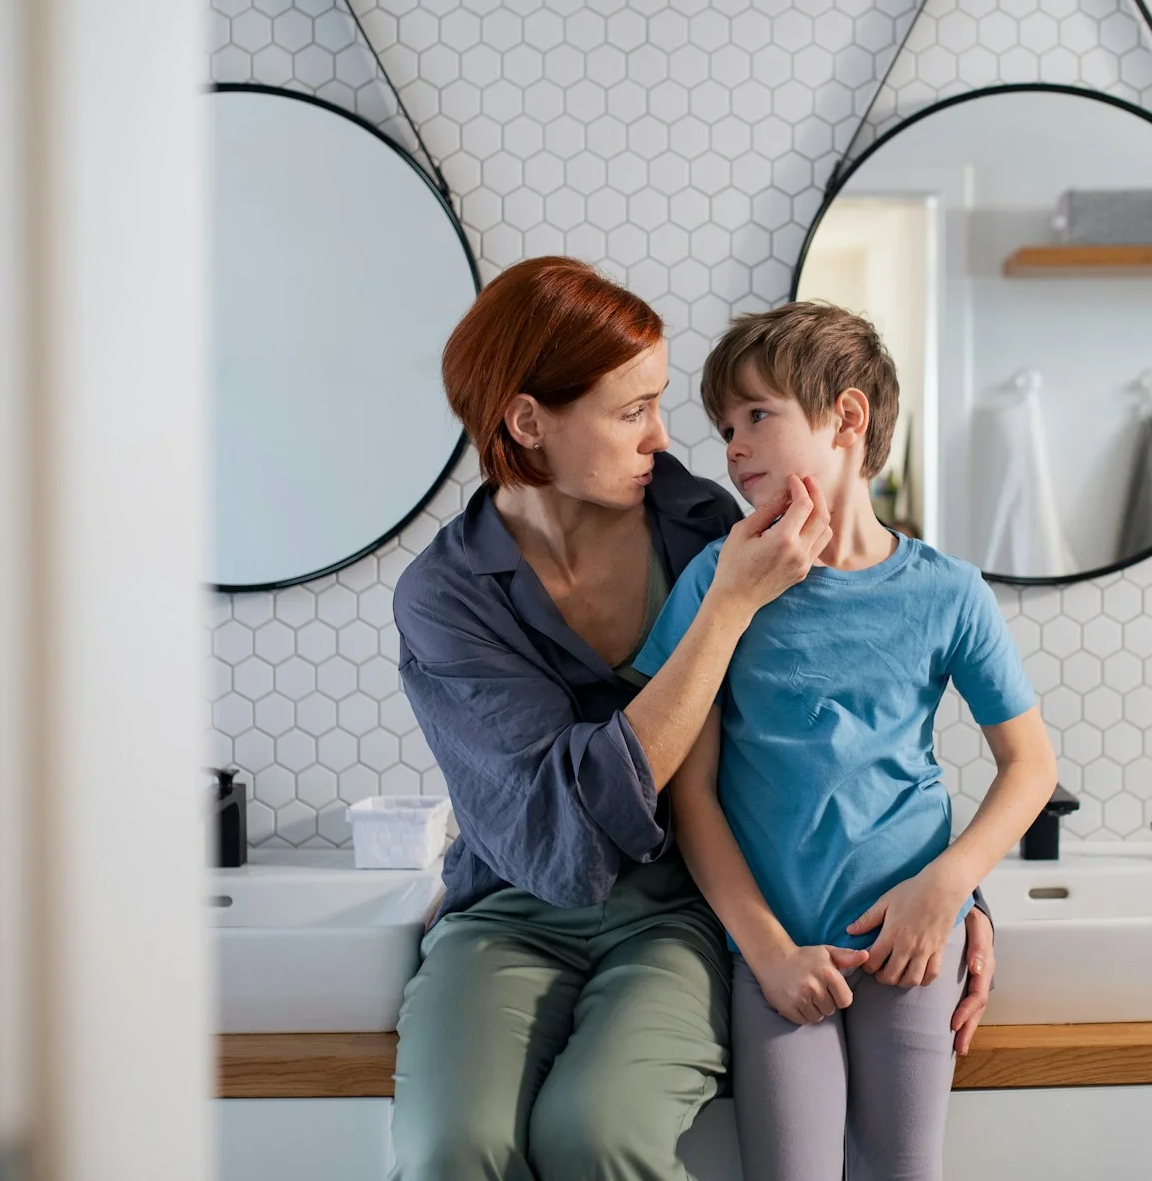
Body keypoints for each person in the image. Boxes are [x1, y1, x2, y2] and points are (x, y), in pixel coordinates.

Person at [388, 258, 1000, 1180]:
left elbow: (818, 738)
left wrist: (956, 890)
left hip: (678, 909)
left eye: (663, 406)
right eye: (632, 411)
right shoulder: (447, 594)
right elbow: (561, 818)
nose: (664, 439)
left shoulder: (700, 522)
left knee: (600, 1134)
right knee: (451, 1150)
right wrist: (722, 612)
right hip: (514, 910)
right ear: (528, 423)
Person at [634, 302, 1058, 1181]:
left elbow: (1031, 766)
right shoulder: (721, 580)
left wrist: (948, 890)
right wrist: (765, 950)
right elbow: (692, 792)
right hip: (780, 952)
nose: (734, 446)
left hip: (913, 942)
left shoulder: (948, 592)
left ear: (848, 418)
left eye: (758, 415)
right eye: (725, 426)